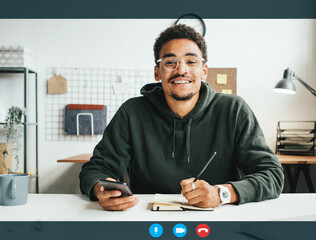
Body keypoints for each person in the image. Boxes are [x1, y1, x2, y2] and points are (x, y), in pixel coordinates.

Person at [79, 24, 284, 211]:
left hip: (220, 221)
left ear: (203, 71)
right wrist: (101, 189)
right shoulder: (131, 112)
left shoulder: (234, 110)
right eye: (170, 62)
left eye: (191, 61)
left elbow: (272, 174)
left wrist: (222, 194)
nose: (181, 70)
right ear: (157, 72)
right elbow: (95, 169)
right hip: (148, 221)